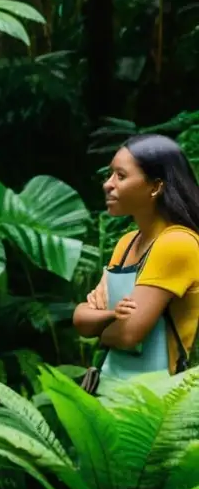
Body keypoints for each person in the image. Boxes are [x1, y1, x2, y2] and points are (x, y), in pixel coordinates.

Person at [73, 134, 199, 385]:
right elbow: (80, 320)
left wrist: (100, 320)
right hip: (108, 390)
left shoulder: (177, 243)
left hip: (156, 403)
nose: (108, 184)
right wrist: (110, 318)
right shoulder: (127, 242)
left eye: (120, 176)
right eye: (109, 175)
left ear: (156, 186)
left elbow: (129, 334)